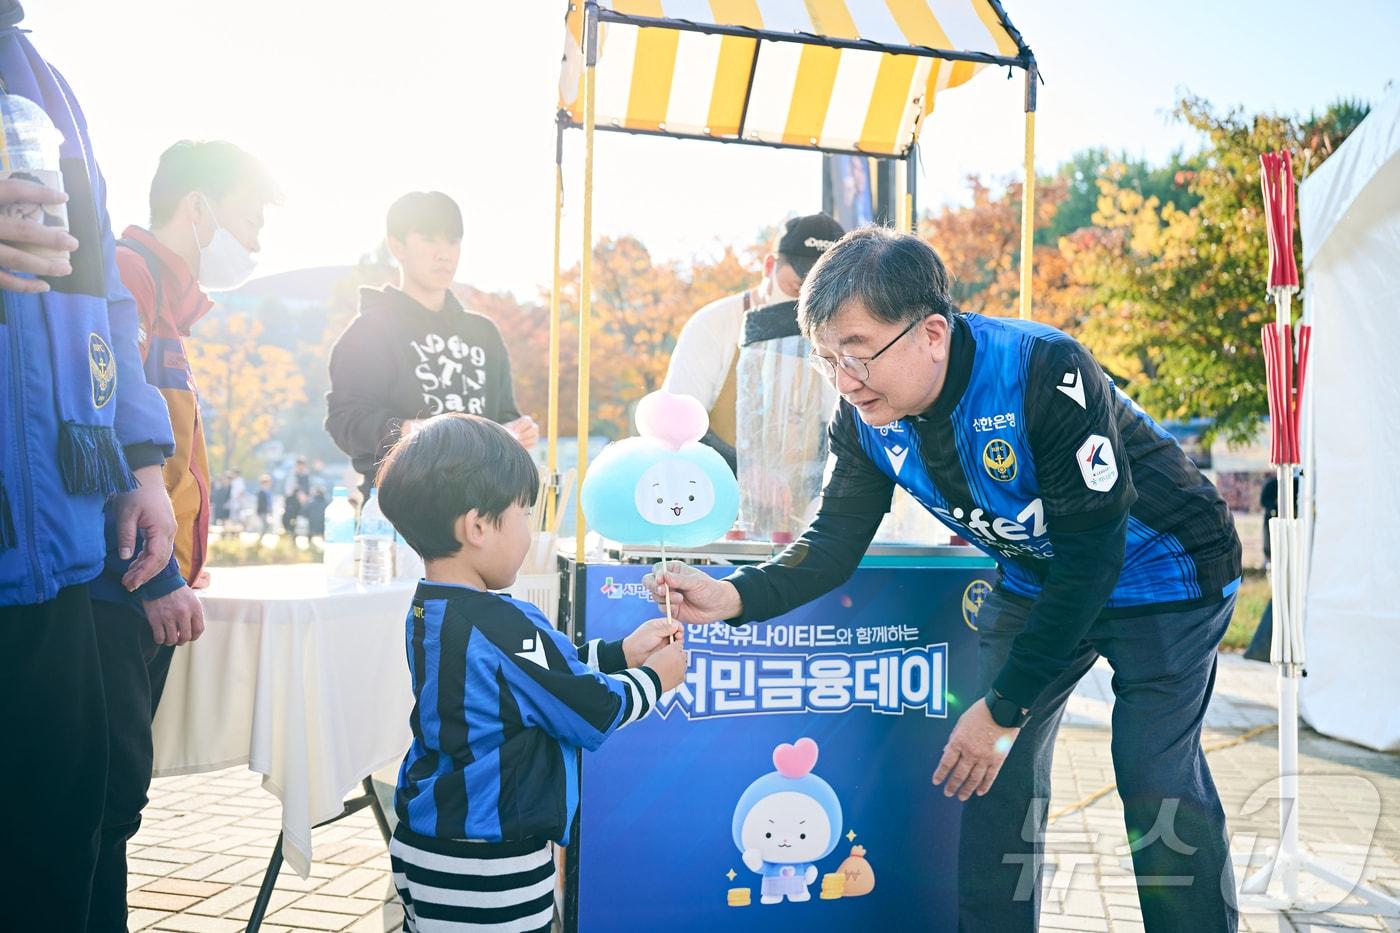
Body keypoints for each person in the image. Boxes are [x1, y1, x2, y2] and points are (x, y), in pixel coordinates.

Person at [646, 227, 1244, 932]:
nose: (844, 380)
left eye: (859, 352)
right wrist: (737, 594)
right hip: (1038, 571)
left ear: (932, 332)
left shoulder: (1041, 368)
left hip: (1164, 573)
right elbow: (834, 541)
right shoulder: (864, 415)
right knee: (990, 777)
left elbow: (1092, 558)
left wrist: (1002, 707)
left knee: (1152, 775)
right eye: (827, 359)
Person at [0, 11, 179, 928]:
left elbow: (101, 291)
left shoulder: (43, 78)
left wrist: (142, 464)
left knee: (66, 842)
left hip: (58, 556)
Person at [374, 414, 687, 931]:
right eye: (523, 514)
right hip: (488, 857)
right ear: (476, 527)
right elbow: (593, 708)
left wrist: (621, 653)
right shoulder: (503, 622)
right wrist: (657, 677)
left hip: (426, 839)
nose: (531, 529)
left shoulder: (431, 608)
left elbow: (534, 682)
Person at [85, 137, 280, 927]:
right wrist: (158, 575)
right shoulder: (127, 281)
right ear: (198, 208)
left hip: (148, 583)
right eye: (250, 216)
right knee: (101, 792)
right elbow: (107, 437)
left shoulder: (171, 301)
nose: (258, 240)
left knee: (115, 794)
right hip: (115, 587)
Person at [325, 191, 538, 498]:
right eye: (428, 239)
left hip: (483, 505)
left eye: (452, 241)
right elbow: (345, 421)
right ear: (397, 246)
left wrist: (518, 429)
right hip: (402, 510)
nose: (444, 253)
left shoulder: (483, 333)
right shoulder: (370, 331)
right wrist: (408, 431)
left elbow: (502, 416)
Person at [662, 213, 841, 473]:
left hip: (804, 504)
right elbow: (677, 424)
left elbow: (838, 434)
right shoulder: (713, 325)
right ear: (769, 266)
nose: (806, 306)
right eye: (797, 288)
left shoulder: (839, 340)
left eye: (821, 296)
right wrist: (750, 473)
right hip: (715, 495)